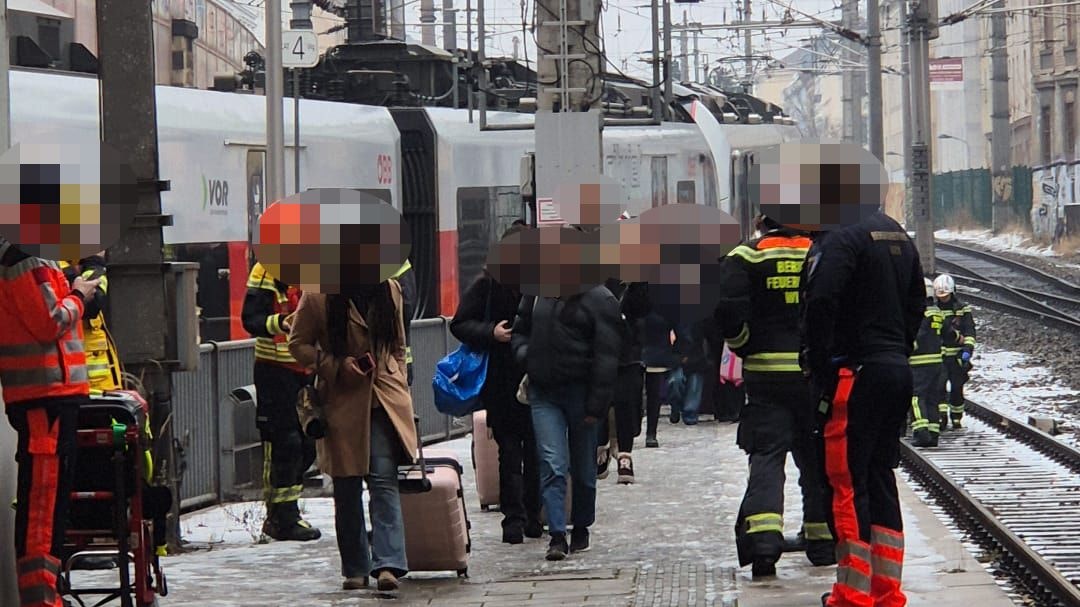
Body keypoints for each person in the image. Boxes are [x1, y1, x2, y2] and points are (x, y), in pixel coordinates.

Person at [801, 209, 925, 607]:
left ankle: (852, 594)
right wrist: (898, 349)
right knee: (880, 477)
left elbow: (821, 300)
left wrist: (819, 362)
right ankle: (885, 591)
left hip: (853, 374)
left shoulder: (838, 237)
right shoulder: (895, 232)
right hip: (894, 369)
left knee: (848, 481)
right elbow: (916, 301)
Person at [715, 213, 835, 578]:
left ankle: (765, 544)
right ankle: (822, 539)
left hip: (766, 377)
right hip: (812, 376)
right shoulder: (821, 252)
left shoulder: (745, 256)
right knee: (815, 458)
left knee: (767, 456)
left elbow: (726, 312)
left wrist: (744, 345)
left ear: (763, 223)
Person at [288, 279, 418, 592]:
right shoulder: (318, 294)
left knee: (383, 478)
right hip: (341, 402)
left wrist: (396, 375)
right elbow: (298, 344)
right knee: (346, 486)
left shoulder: (390, 290)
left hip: (383, 398)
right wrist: (334, 365)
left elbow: (398, 346)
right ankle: (356, 568)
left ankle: (388, 563)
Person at [1, 237, 100, 607]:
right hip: (45, 398)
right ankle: (42, 600)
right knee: (43, 507)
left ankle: (46, 595)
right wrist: (79, 295)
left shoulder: (33, 254)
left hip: (49, 397)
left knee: (48, 507)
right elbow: (48, 322)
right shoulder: (25, 256)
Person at [511, 284, 621, 561]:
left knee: (584, 467)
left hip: (582, 394)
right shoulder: (536, 291)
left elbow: (607, 355)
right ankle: (557, 534)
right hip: (544, 391)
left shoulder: (599, 298)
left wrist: (597, 404)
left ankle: (582, 525)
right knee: (552, 462)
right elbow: (521, 328)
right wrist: (526, 355)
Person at [450, 244, 542, 544]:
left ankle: (531, 515)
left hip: (534, 378)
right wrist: (492, 333)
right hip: (501, 382)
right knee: (511, 453)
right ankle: (514, 519)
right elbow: (460, 323)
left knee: (535, 452)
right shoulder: (486, 286)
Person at [241, 261, 321, 542]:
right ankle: (280, 517)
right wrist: (281, 323)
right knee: (283, 442)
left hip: (309, 370)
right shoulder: (264, 272)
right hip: (274, 370)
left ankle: (288, 512)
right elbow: (250, 320)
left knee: (308, 443)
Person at [594, 279, 650, 485]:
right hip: (599, 348)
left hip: (629, 352)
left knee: (626, 404)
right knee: (600, 402)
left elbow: (645, 307)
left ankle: (625, 457)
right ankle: (601, 447)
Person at [932, 274, 975, 430]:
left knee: (957, 388)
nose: (943, 298)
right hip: (939, 356)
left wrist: (967, 350)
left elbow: (970, 330)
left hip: (957, 357)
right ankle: (941, 417)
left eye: (946, 295)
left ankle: (956, 418)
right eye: (940, 296)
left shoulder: (962, 309)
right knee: (939, 387)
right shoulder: (933, 310)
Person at [909, 278, 946, 448]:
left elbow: (917, 337)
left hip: (919, 363)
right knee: (932, 398)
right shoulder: (936, 311)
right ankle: (933, 433)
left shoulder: (920, 313)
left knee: (917, 397)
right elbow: (948, 332)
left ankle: (922, 432)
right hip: (937, 362)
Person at [641, 311, 676, 448]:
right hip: (632, 353)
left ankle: (651, 432)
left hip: (657, 353)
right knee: (633, 396)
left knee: (654, 396)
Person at [668, 320, 709, 426]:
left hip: (696, 356)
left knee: (694, 388)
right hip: (678, 356)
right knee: (675, 383)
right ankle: (676, 406)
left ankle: (690, 415)